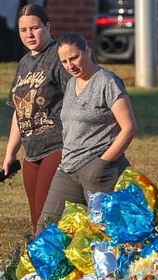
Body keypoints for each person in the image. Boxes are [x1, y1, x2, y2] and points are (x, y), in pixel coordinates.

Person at [36, 32, 137, 233]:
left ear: (88, 51)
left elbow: (129, 127)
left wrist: (102, 163)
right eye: (64, 61)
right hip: (68, 169)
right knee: (46, 230)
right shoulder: (72, 83)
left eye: (74, 58)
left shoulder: (106, 82)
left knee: (105, 235)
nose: (70, 65)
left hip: (99, 171)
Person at [3, 4, 71, 233]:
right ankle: (41, 264)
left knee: (46, 217)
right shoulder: (24, 62)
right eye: (23, 30)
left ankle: (55, 263)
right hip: (31, 151)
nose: (29, 34)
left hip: (56, 145)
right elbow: (18, 110)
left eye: (35, 28)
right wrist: (10, 154)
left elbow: (77, 97)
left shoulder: (58, 56)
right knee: (35, 219)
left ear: (47, 26)